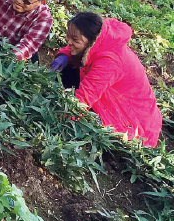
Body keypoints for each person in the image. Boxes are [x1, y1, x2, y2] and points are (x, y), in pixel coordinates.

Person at [50, 12, 162, 147]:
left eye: (75, 39)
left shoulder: (109, 62)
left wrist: (56, 121)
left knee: (88, 127)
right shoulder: (102, 38)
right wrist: (65, 55)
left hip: (133, 123)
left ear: (91, 41)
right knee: (68, 67)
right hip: (116, 100)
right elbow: (76, 46)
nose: (69, 42)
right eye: (69, 36)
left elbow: (83, 100)